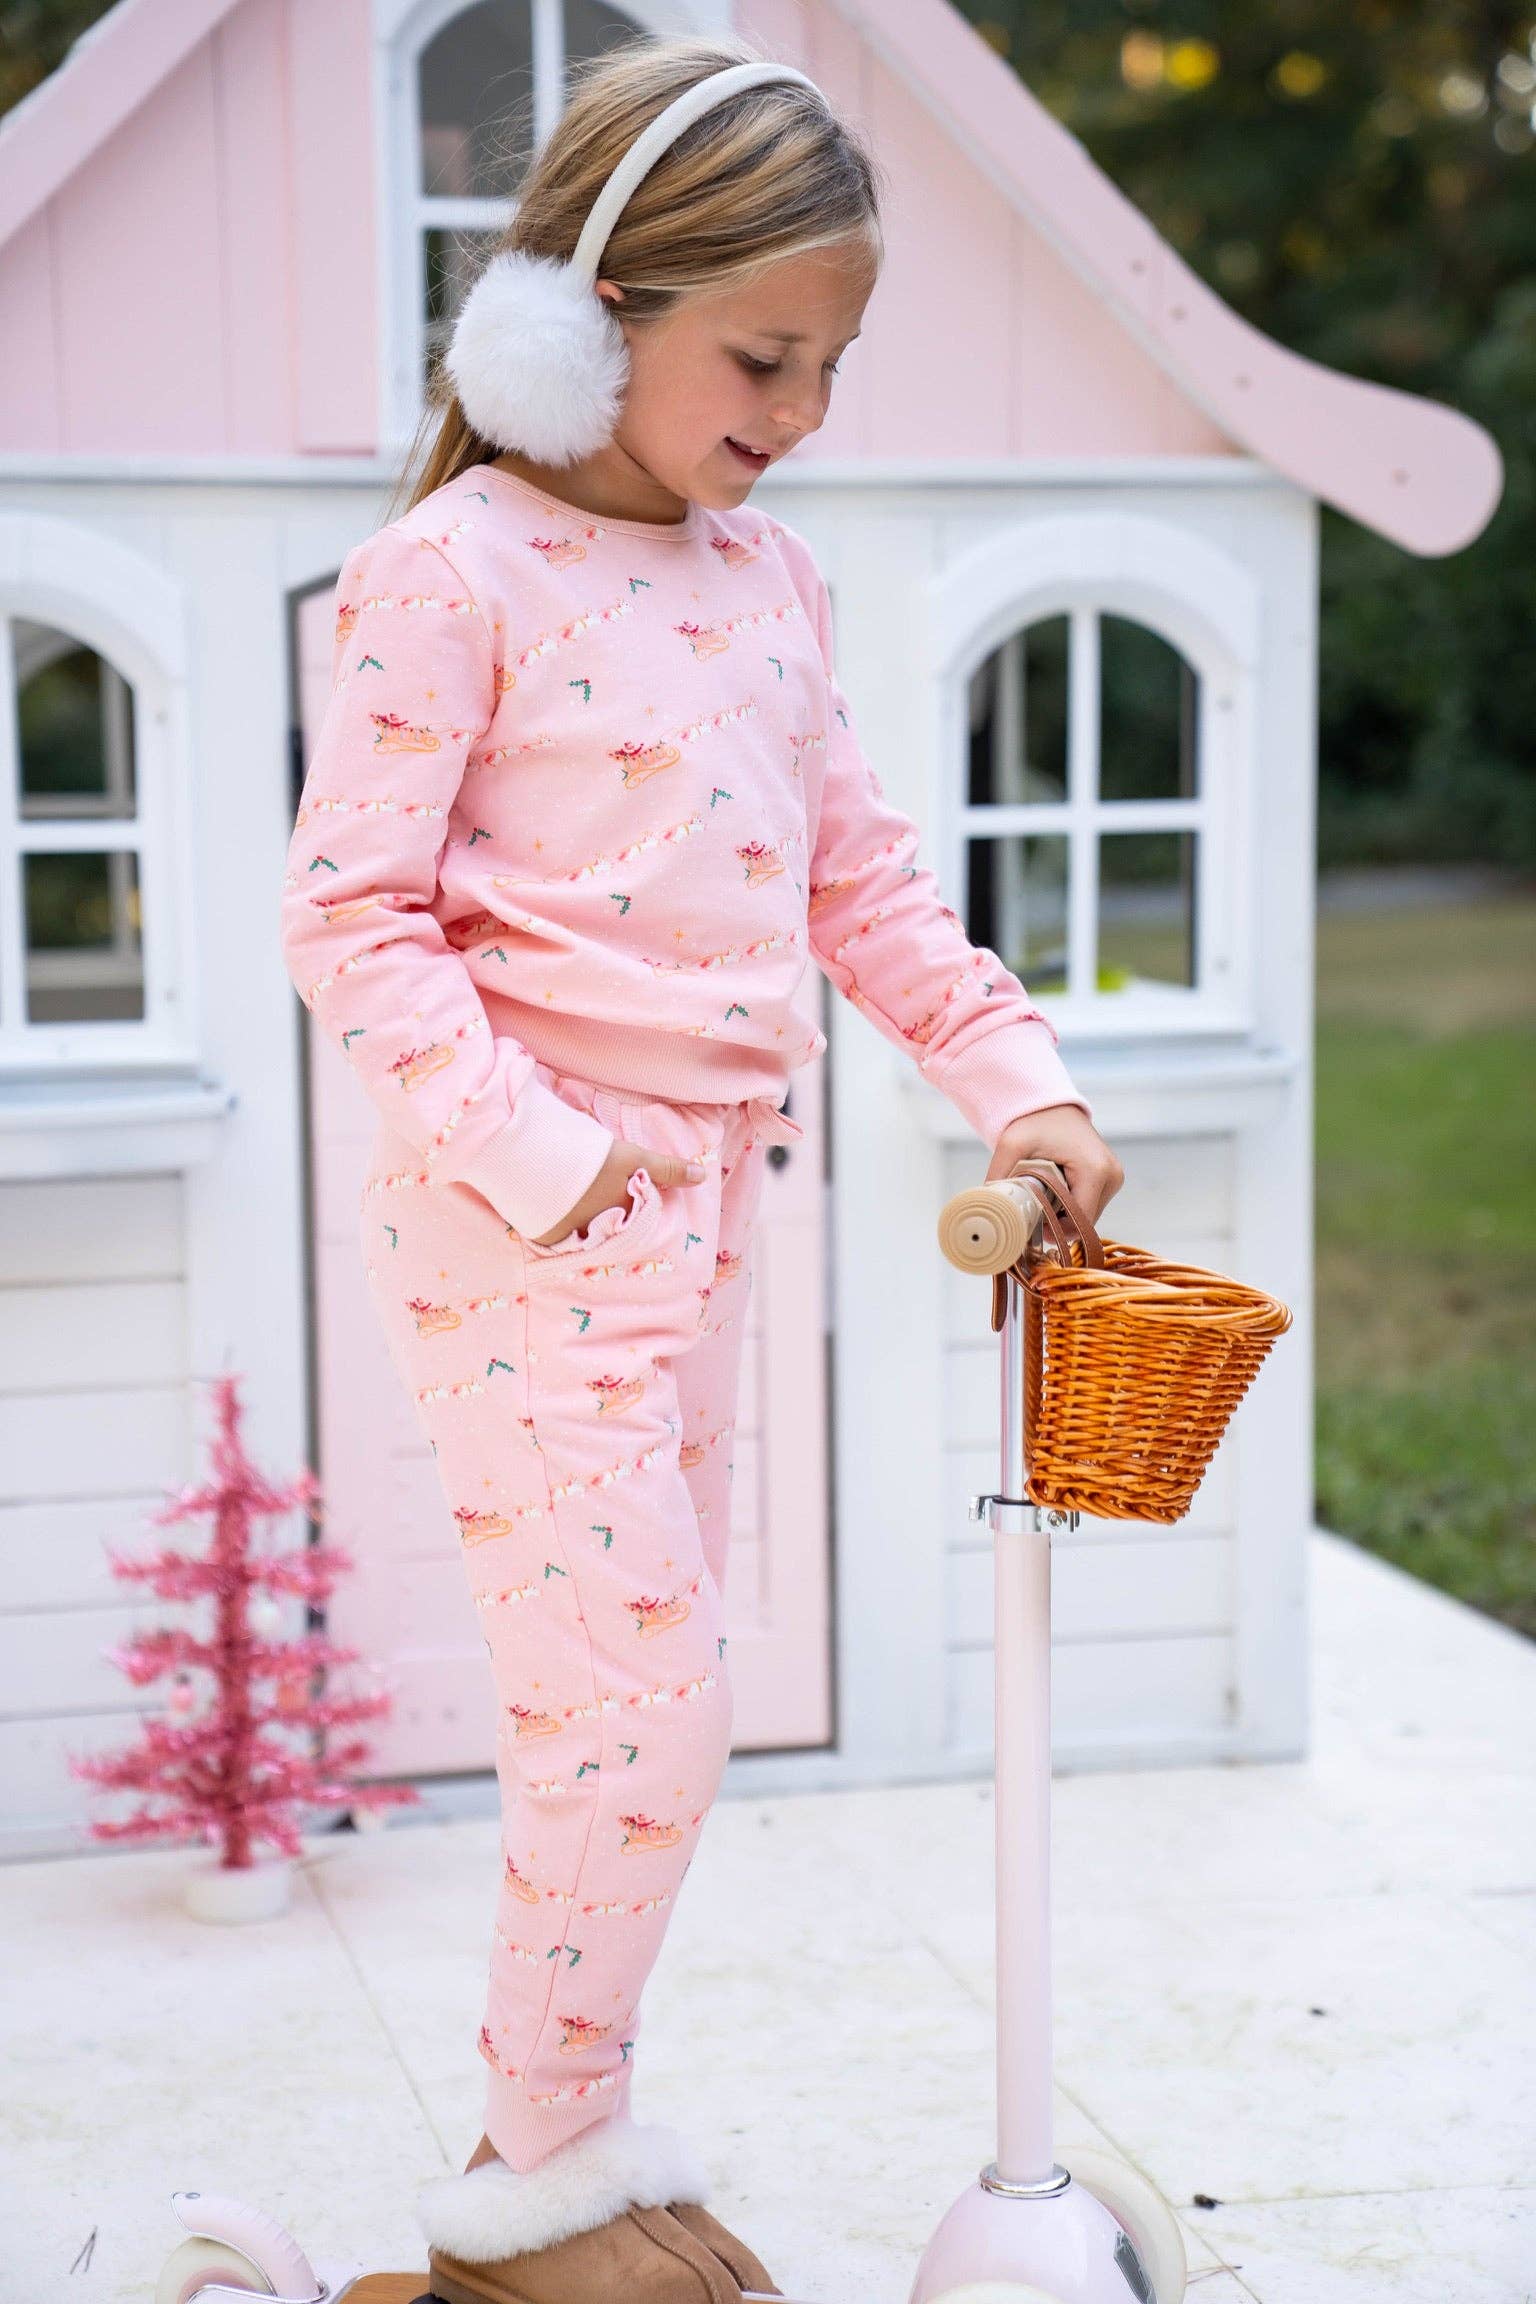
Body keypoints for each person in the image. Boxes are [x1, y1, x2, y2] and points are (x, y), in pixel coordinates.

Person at [278, 29, 1123, 2303]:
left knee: (643, 1716)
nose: (806, 407)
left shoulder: (772, 586)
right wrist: (549, 1162)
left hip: (710, 1218)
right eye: (765, 356)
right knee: (637, 1720)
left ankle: (563, 2153)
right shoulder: (449, 572)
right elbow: (347, 919)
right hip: (525, 1225)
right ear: (588, 315)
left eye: (835, 362)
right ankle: (526, 2203)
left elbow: (867, 886)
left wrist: (1020, 1080)